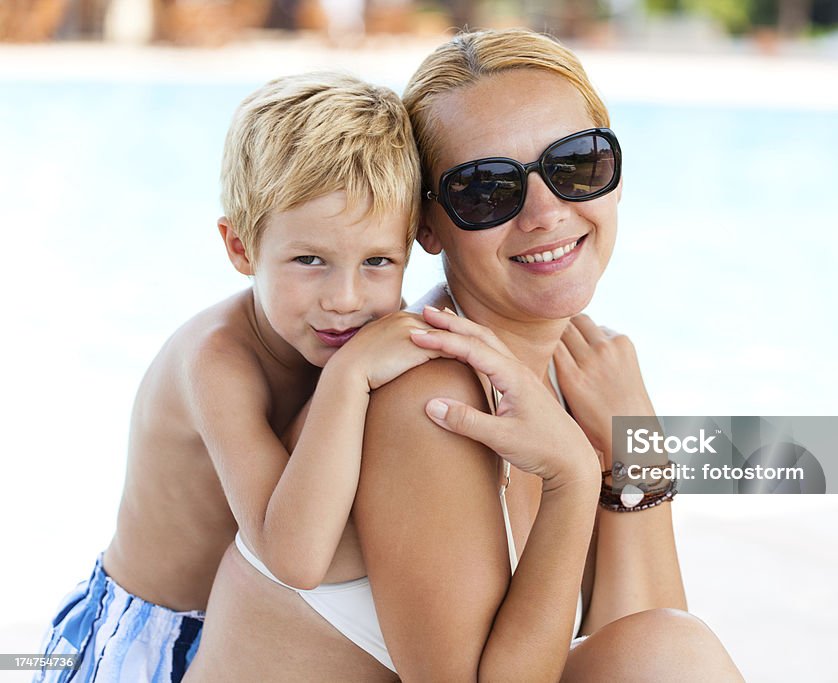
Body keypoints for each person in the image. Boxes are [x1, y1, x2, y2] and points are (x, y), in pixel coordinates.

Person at [187, 29, 744, 681]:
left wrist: (639, 453)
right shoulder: (432, 399)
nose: (544, 212)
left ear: (615, 174)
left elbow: (634, 640)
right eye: (487, 189)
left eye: (576, 164)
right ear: (426, 225)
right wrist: (572, 471)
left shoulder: (583, 369)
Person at [33, 71, 440, 682]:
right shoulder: (217, 361)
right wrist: (350, 375)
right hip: (132, 634)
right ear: (240, 247)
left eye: (378, 262)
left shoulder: (360, 328)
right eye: (310, 261)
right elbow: (292, 558)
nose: (346, 298)